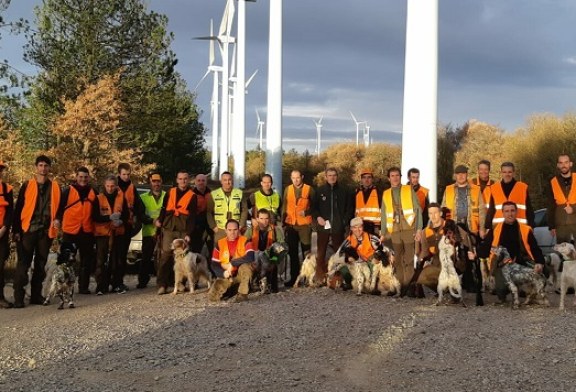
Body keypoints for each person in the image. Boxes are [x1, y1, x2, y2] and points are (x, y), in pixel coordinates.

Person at [12, 155, 61, 308]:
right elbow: (18, 208)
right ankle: (18, 297)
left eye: (46, 165)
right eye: (40, 165)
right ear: (36, 167)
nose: (43, 168)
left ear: (49, 168)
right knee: (23, 264)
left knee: (40, 265)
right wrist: (16, 230)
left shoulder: (55, 187)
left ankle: (35, 296)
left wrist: (58, 218)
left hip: (45, 232)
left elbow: (60, 207)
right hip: (28, 230)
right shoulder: (27, 185)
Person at [487, 201, 546, 304]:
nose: (510, 214)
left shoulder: (525, 229)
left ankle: (530, 293)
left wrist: (539, 262)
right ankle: (504, 294)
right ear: (503, 213)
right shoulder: (495, 229)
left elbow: (535, 248)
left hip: (522, 263)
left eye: (512, 211)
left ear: (516, 212)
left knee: (544, 273)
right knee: (501, 288)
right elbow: (485, 247)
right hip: (503, 266)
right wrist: (474, 254)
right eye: (507, 211)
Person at [380, 166, 422, 297]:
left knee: (409, 259)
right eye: (392, 175)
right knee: (397, 260)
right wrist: (382, 232)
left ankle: (409, 288)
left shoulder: (408, 190)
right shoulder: (386, 194)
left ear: (401, 177)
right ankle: (400, 287)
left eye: (397, 175)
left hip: (408, 228)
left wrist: (419, 228)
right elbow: (383, 215)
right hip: (394, 231)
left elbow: (417, 209)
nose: (395, 178)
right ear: (389, 178)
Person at [55, 167, 97, 294]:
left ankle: (83, 287)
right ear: (76, 177)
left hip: (87, 231)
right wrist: (57, 219)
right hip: (70, 231)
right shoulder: (68, 191)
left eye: (85, 177)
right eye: (81, 177)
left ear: (88, 178)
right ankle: (62, 288)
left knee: (86, 261)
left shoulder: (93, 191)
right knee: (66, 261)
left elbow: (96, 212)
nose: (83, 179)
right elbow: (59, 207)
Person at [155, 170, 196, 295]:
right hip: (169, 227)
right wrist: (160, 221)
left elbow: (192, 216)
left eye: (185, 178)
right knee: (166, 255)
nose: (183, 181)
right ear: (177, 180)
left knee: (183, 258)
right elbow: (163, 208)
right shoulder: (170, 192)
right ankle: (162, 284)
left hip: (183, 229)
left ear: (188, 180)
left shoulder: (192, 195)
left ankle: (181, 284)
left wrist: (189, 233)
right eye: (180, 178)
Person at [311, 167, 353, 285]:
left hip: (338, 227)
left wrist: (344, 221)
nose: (332, 177)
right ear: (325, 177)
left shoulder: (344, 191)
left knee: (339, 253)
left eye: (334, 175)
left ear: (337, 176)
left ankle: (339, 278)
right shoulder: (319, 191)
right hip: (323, 227)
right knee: (321, 253)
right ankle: (320, 277)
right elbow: (313, 208)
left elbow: (349, 208)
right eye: (329, 175)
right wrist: (318, 217)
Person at [92, 175, 129, 295]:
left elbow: (126, 214)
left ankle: (117, 284)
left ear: (116, 186)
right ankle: (101, 286)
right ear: (104, 185)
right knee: (101, 261)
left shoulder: (122, 198)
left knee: (117, 261)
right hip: (103, 234)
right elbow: (94, 216)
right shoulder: (98, 198)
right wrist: (108, 218)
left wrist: (121, 221)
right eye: (108, 186)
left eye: (112, 186)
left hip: (118, 233)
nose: (110, 188)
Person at [208, 219, 255, 302]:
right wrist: (223, 273)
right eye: (229, 230)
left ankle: (243, 294)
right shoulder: (219, 244)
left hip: (241, 274)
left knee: (246, 267)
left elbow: (251, 256)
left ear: (238, 230)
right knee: (212, 298)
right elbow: (214, 264)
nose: (232, 233)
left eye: (235, 230)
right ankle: (234, 289)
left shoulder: (246, 241)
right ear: (225, 231)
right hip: (227, 275)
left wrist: (233, 263)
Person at [115, 163, 145, 292]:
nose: (126, 177)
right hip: (112, 226)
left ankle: (119, 282)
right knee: (111, 257)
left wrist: (139, 219)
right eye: (123, 174)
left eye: (128, 174)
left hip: (127, 226)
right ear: (119, 174)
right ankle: (107, 283)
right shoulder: (113, 186)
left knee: (122, 256)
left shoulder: (132, 188)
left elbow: (139, 206)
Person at [281, 169, 314, 287]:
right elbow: (284, 206)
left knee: (306, 253)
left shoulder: (309, 189)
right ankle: (294, 277)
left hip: (305, 225)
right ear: (291, 178)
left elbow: (316, 206)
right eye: (293, 178)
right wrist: (283, 223)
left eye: (298, 177)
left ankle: (308, 277)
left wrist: (307, 212)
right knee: (292, 253)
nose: (295, 180)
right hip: (291, 225)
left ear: (302, 177)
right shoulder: (287, 189)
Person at [245, 208, 284, 293]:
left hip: (269, 257)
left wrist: (274, 260)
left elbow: (282, 247)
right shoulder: (251, 230)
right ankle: (254, 283)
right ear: (257, 219)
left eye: (266, 218)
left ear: (269, 219)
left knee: (277, 248)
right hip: (254, 257)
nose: (264, 221)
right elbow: (242, 244)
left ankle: (269, 284)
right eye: (261, 218)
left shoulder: (275, 230)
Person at [137, 173, 166, 289]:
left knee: (164, 259)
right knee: (146, 258)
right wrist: (152, 221)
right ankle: (142, 281)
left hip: (163, 232)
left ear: (161, 182)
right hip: (149, 232)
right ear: (150, 182)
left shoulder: (167, 195)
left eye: (158, 181)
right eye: (154, 181)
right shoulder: (143, 197)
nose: (156, 184)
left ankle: (163, 281)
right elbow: (141, 215)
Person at [487, 162, 534, 228]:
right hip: (499, 228)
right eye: (504, 172)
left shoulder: (522, 187)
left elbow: (529, 209)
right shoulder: (494, 188)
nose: (507, 174)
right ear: (501, 173)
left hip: (519, 228)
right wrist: (487, 227)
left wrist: (531, 226)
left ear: (513, 173)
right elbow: (491, 210)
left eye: (509, 172)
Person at [207, 171, 248, 243]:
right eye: (225, 180)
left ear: (232, 180)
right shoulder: (214, 194)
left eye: (229, 180)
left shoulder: (240, 193)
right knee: (219, 251)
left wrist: (241, 225)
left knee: (237, 251)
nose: (227, 182)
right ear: (221, 181)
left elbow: (244, 210)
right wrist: (213, 227)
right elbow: (209, 212)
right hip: (220, 229)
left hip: (236, 229)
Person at [547, 154, 576, 244]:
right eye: (561, 163)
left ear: (571, 164)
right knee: (563, 254)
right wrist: (552, 226)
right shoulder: (552, 182)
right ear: (558, 165)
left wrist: (573, 209)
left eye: (566, 162)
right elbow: (550, 205)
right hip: (561, 227)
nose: (563, 165)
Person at [0, 161, 14, 308]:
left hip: (1, 232)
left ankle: (0, 297)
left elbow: (10, 211)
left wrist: (4, 228)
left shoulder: (6, 188)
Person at [190, 173, 213, 256]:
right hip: (197, 226)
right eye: (198, 180)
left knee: (213, 248)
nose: (201, 182)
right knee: (196, 249)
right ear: (195, 182)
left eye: (203, 180)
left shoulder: (212, 194)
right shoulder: (191, 195)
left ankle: (212, 267)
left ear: (206, 182)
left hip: (210, 225)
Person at [354, 168, 382, 235]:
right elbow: (354, 210)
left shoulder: (378, 192)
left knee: (373, 245)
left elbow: (383, 210)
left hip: (375, 226)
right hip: (360, 225)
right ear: (361, 179)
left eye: (369, 177)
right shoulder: (357, 192)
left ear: (372, 179)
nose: (366, 180)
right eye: (364, 178)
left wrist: (380, 227)